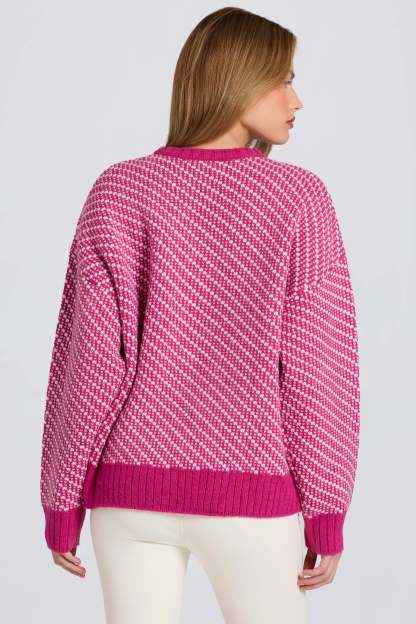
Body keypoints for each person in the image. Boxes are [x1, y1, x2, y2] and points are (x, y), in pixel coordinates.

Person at [39, 6, 360, 623]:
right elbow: (318, 367)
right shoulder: (298, 198)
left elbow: (89, 365)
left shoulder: (120, 189)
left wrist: (63, 498)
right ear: (237, 80)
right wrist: (326, 508)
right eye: (283, 80)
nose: (296, 99)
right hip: (252, 498)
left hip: (128, 498)